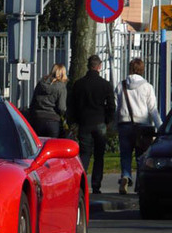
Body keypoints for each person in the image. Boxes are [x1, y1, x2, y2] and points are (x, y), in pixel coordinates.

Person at [114, 58, 163, 195]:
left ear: (130, 69)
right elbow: (152, 109)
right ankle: (140, 183)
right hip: (142, 125)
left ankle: (125, 176)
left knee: (125, 154)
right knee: (141, 155)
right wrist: (160, 127)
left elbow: (116, 107)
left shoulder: (121, 85)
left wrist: (114, 124)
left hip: (124, 124)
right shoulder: (147, 87)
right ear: (142, 70)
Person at [70, 55, 116, 194]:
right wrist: (108, 120)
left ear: (88, 65)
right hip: (100, 121)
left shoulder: (79, 84)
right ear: (99, 66)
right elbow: (111, 106)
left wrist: (75, 121)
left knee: (85, 154)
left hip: (85, 122)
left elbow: (72, 105)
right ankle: (96, 184)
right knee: (99, 155)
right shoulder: (105, 84)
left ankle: (81, 183)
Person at [28, 63, 68, 137]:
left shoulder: (41, 83)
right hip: (53, 120)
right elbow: (61, 107)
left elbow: (33, 102)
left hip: (37, 119)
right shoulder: (61, 87)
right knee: (52, 146)